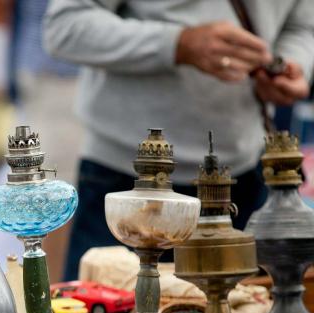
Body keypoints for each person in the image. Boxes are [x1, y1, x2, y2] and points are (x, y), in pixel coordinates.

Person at [43, 0, 314, 280]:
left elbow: (303, 25)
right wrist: (177, 44)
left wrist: (292, 64)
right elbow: (65, 26)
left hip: (244, 176)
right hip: (124, 181)